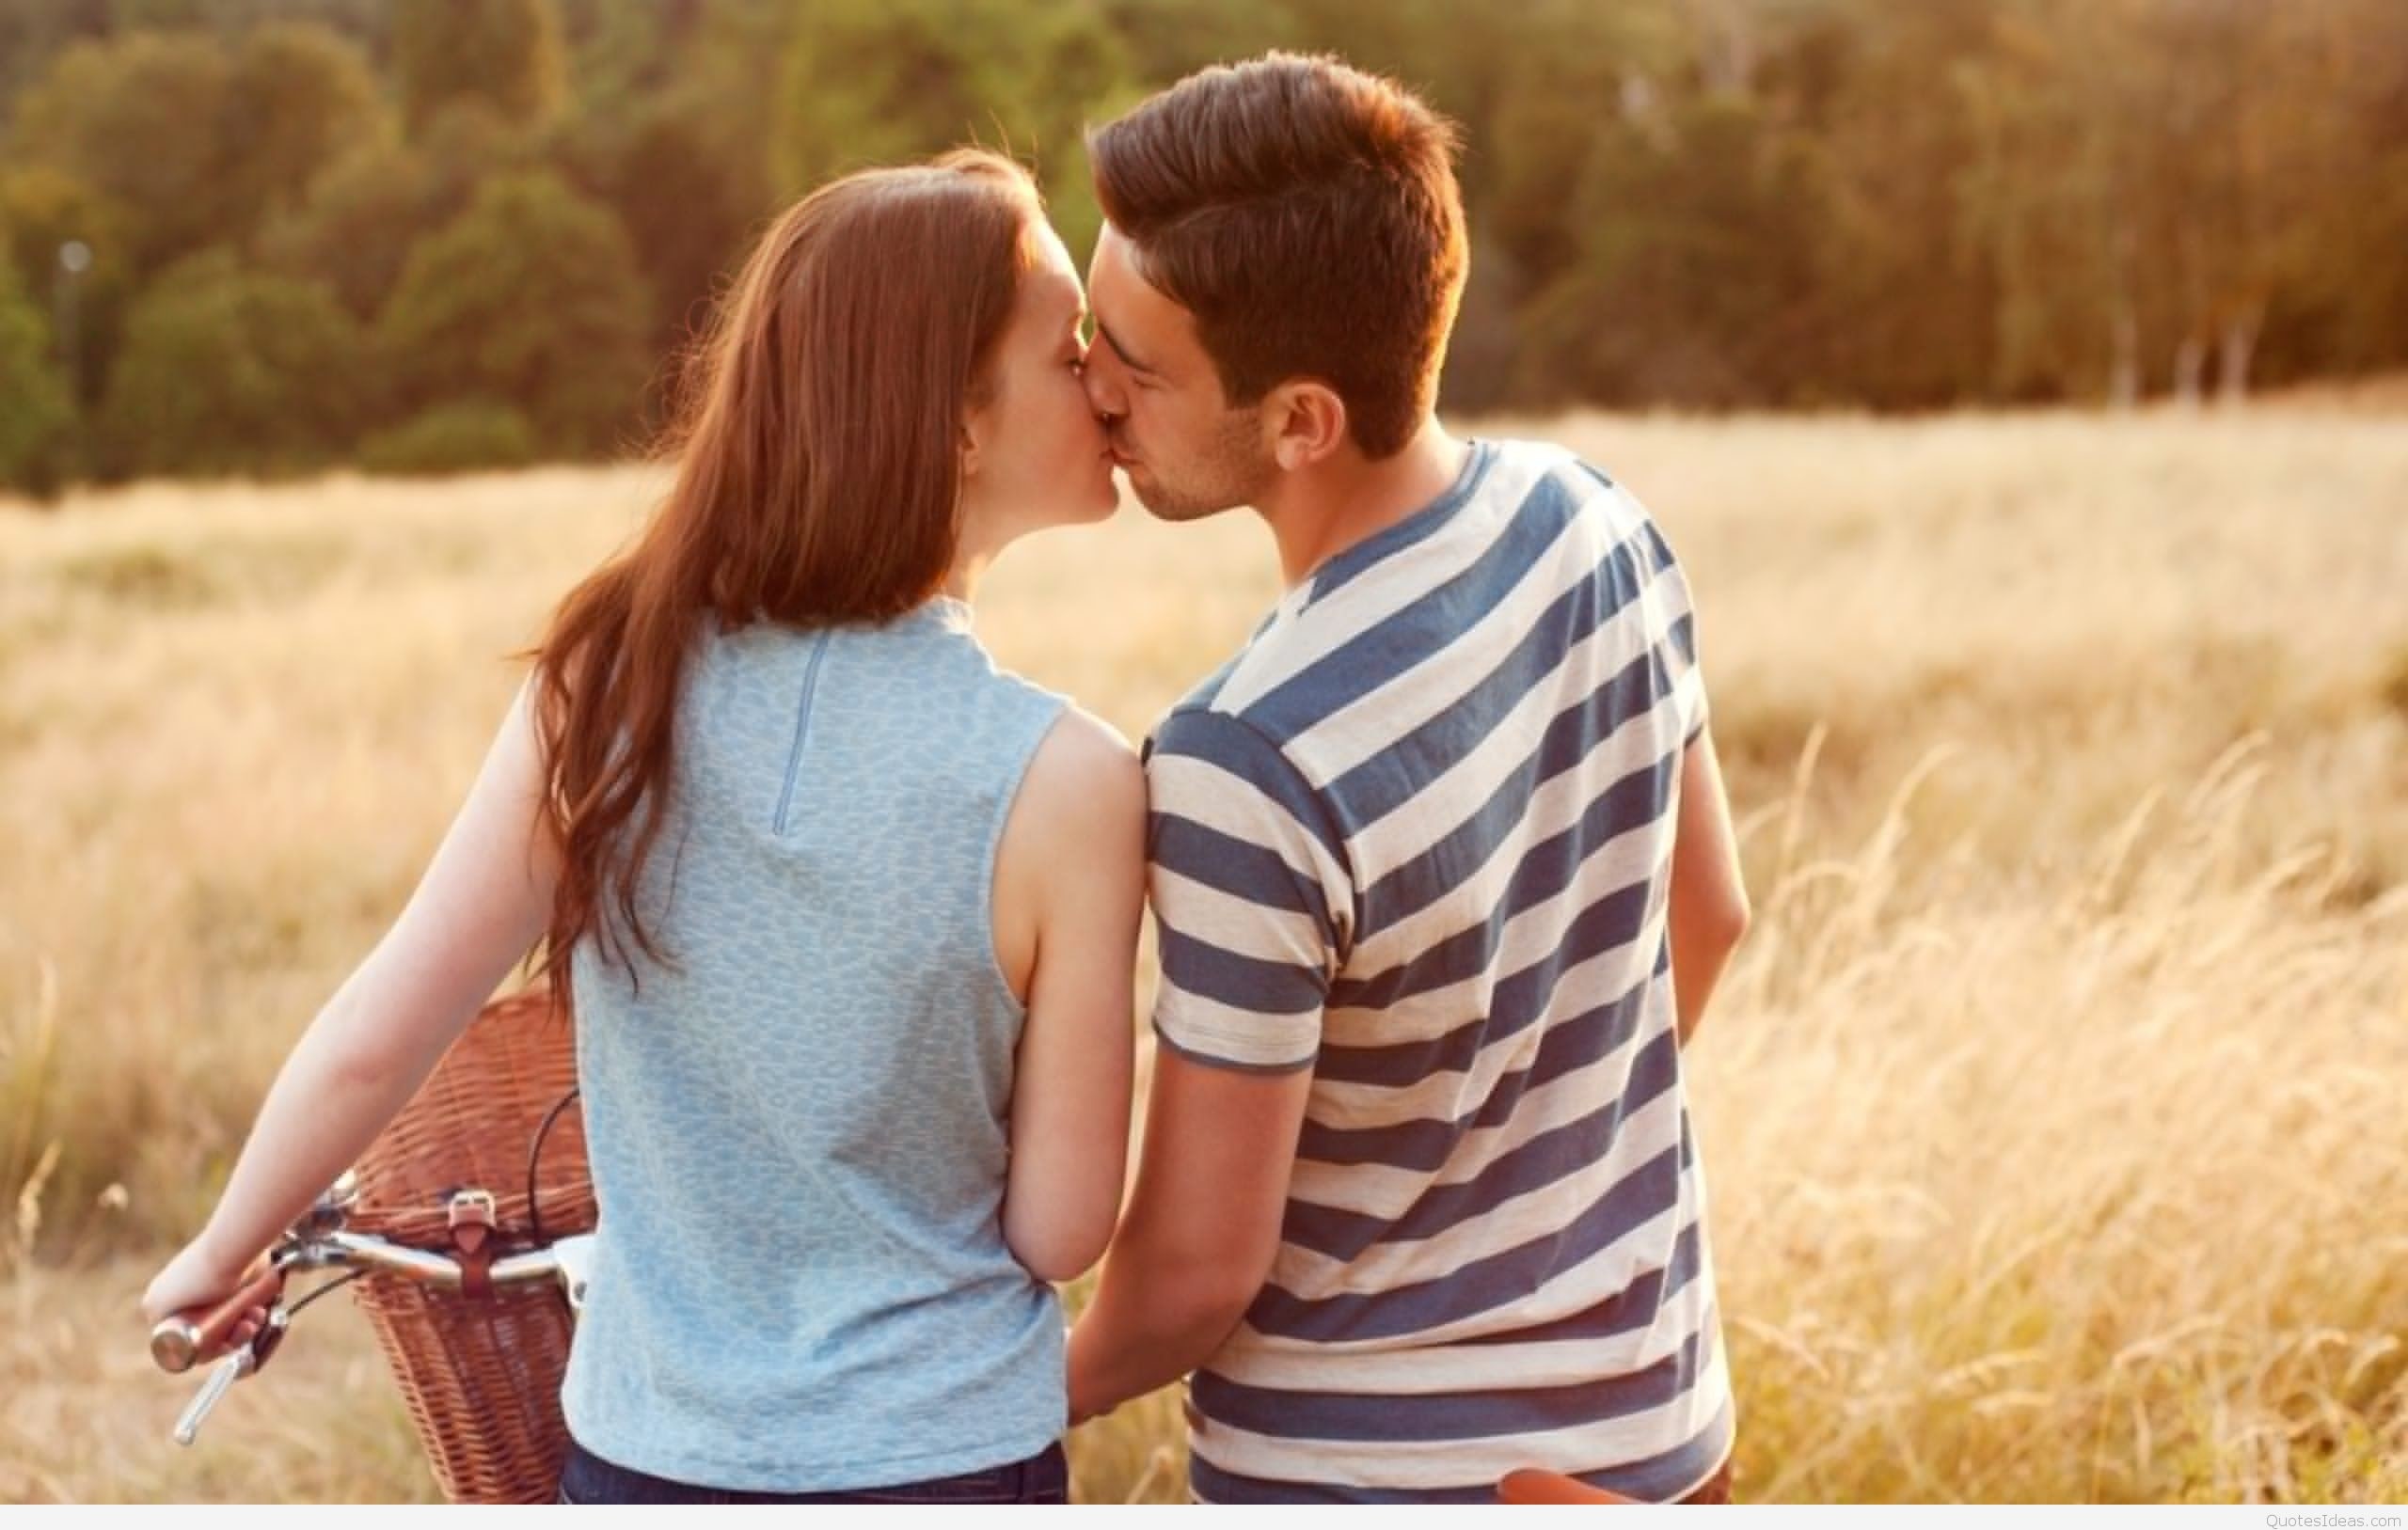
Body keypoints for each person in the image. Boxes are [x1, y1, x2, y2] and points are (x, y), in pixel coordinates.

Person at [140, 149, 1145, 1506]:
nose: (1105, 382)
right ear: (955, 423)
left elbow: (389, 1022)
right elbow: (1060, 1227)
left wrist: (220, 1250)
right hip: (946, 1462)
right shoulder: (1071, 780)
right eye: (1069, 347)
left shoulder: (613, 684)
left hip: (648, 1460)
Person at [1061, 55, 1754, 1504]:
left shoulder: (1244, 760)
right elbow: (1714, 919)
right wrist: (1531, 1205)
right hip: (1658, 1441)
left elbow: (1194, 1272)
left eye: (1134, 359)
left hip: (1376, 1487)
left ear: (1302, 418)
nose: (1090, 385)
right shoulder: (1596, 523)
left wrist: (964, 1409)